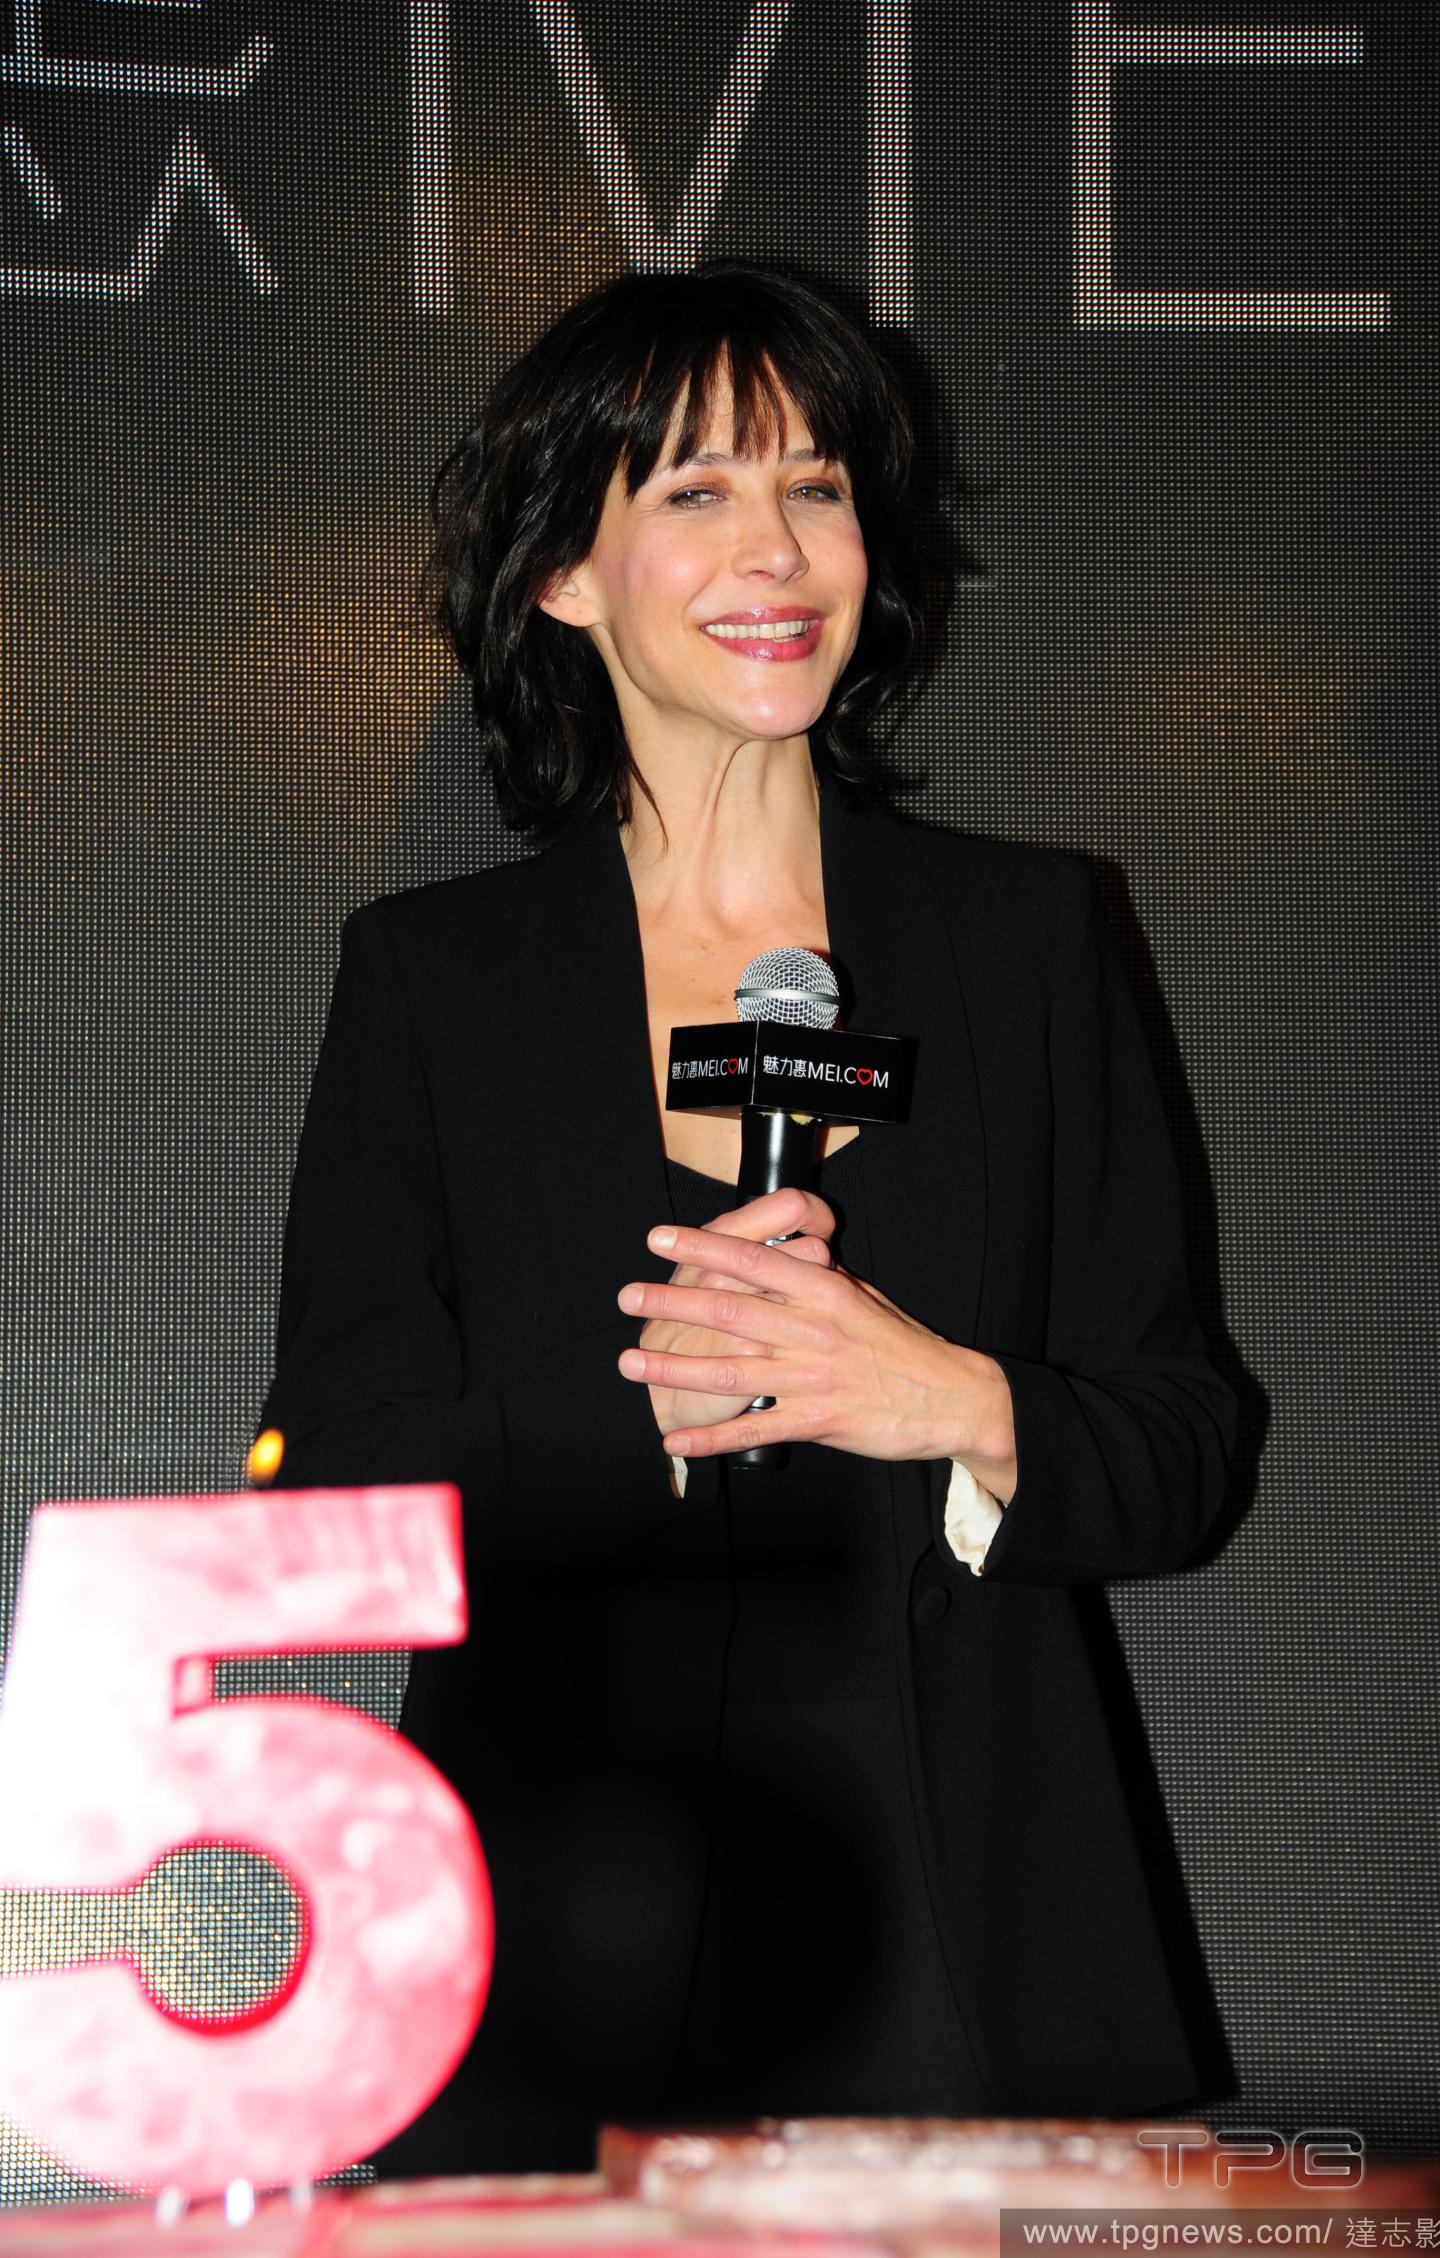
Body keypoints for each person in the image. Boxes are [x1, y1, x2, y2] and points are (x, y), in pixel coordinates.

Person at [260, 260, 1237, 2174]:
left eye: (818, 486)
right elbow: (328, 1474)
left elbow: (1184, 1439)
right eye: (697, 490)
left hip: (964, 1912)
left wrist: (951, 1397)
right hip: (558, 1906)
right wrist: (629, 1410)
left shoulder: (1028, 941)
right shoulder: (435, 980)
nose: (777, 550)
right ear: (566, 570)